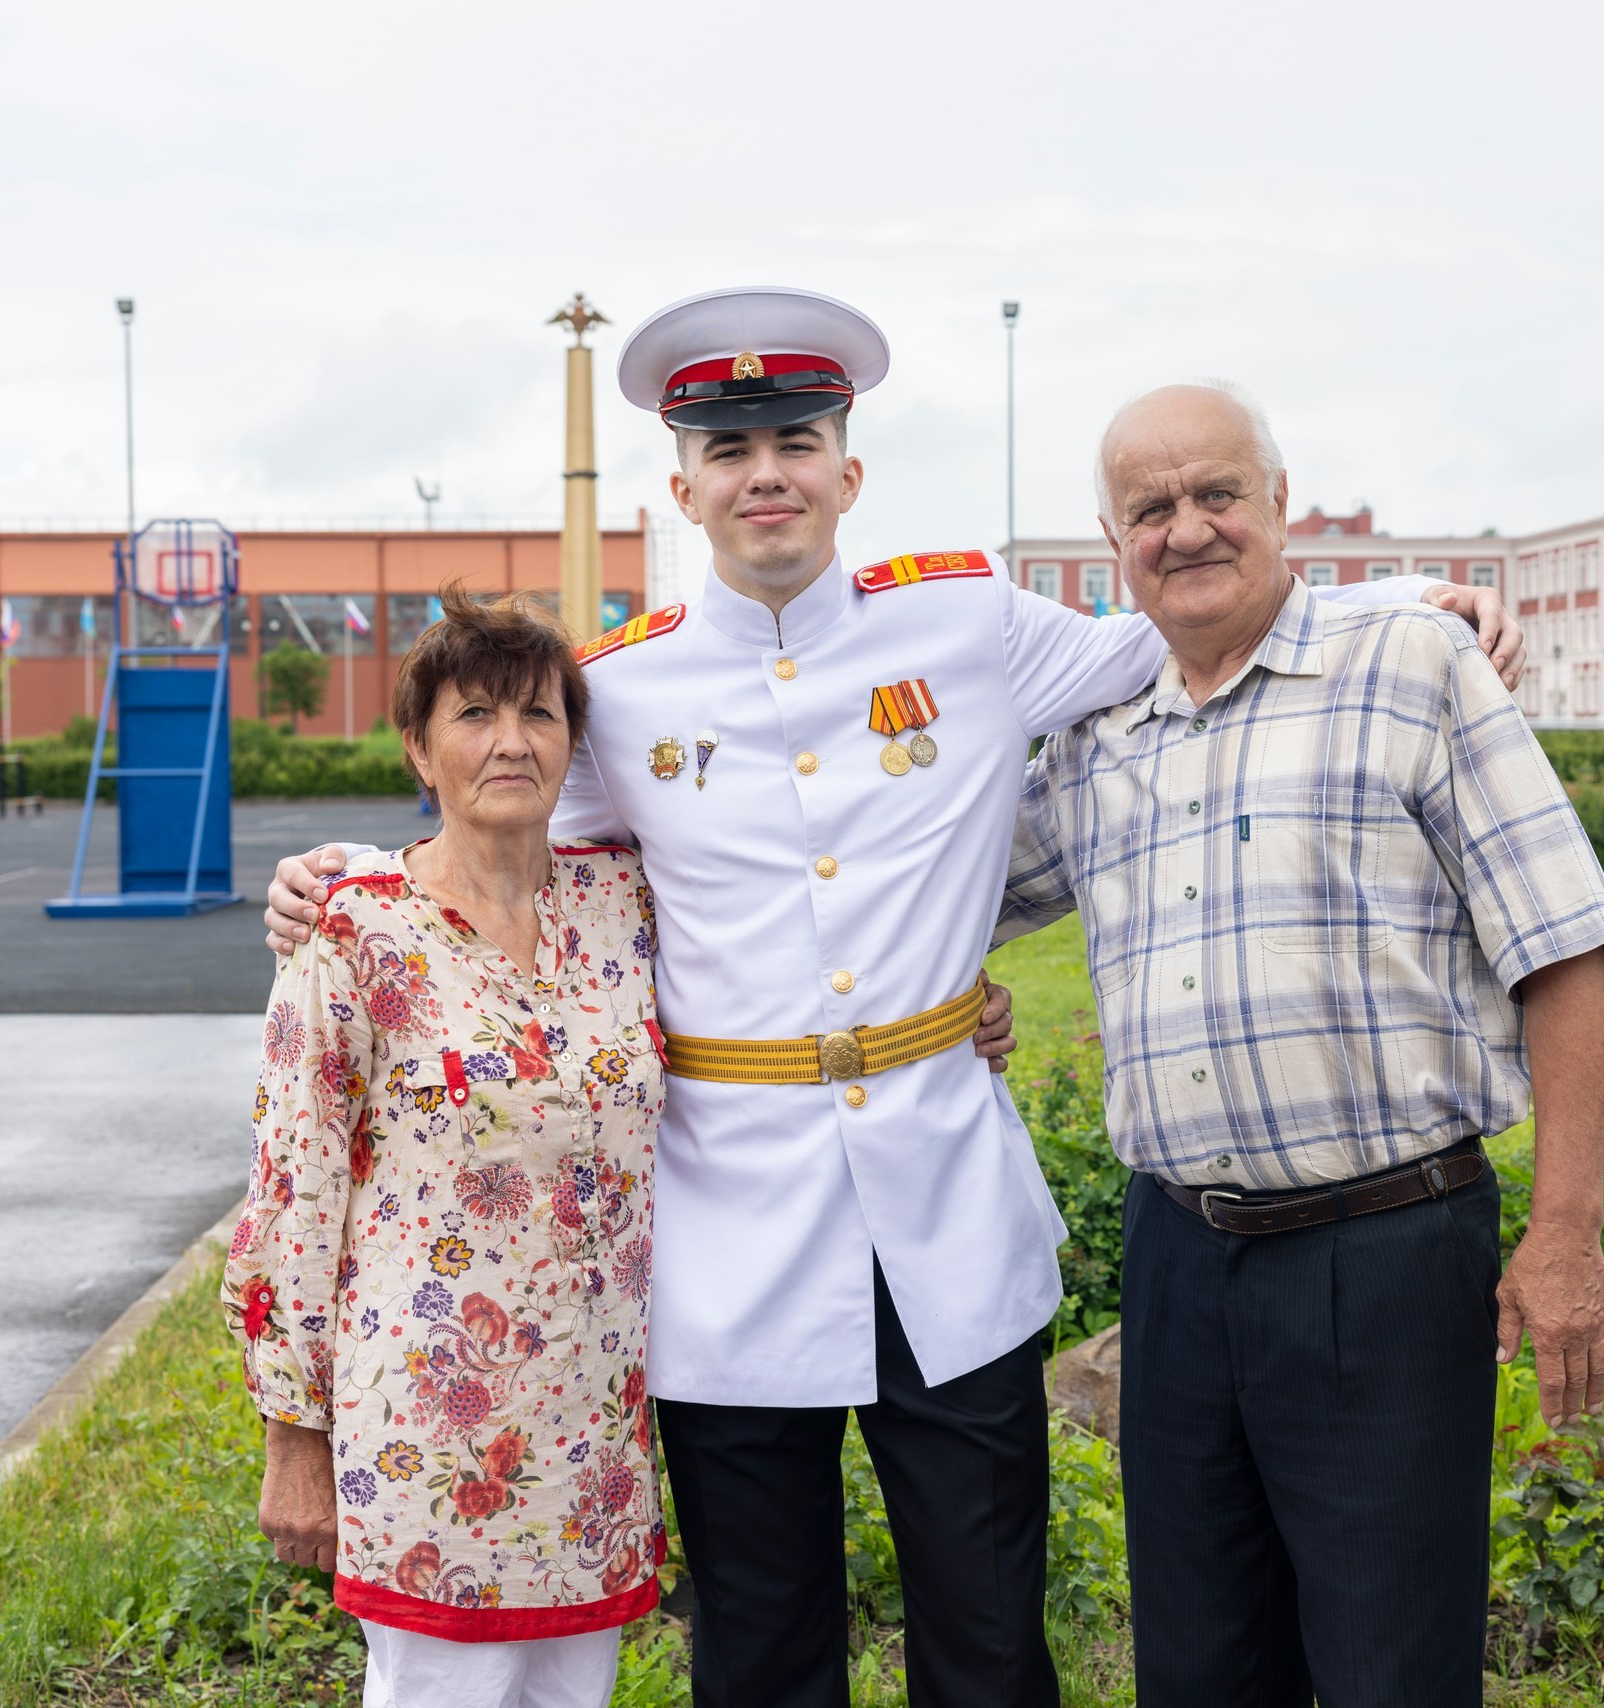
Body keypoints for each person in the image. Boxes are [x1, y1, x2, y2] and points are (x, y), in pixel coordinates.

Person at [260, 286, 1528, 1707]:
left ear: (847, 472)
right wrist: (339, 879)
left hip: (945, 1208)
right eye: (730, 453)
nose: (767, 475)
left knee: (986, 1631)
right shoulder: (623, 691)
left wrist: (1419, 601)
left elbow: (1188, 622)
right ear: (683, 491)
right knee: (762, 1641)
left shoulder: (968, 621)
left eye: (796, 443)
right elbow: (505, 833)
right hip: (735, 1232)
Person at [996, 383, 1604, 1706]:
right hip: (1178, 1258)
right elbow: (938, 897)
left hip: (1385, 1252)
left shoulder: (1412, 666)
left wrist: (1565, 1231)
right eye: (1150, 508)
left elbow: (1563, 948)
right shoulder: (1099, 729)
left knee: (1390, 1669)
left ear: (1280, 502)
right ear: (1113, 540)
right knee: (1200, 1667)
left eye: (1217, 493)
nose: (1187, 529)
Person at [227, 593, 667, 1708]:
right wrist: (294, 1440)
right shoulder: (354, 927)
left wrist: (961, 1011)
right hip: (428, 1436)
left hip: (595, 1436)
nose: (511, 742)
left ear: (574, 742)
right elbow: (291, 1195)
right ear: (420, 750)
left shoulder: (626, 904)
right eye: (474, 714)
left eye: (538, 714)